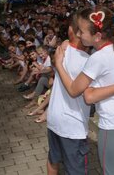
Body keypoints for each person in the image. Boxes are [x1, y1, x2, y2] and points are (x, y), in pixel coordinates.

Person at [55, 7, 114, 175]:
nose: (78, 34)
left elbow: (74, 90)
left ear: (98, 36)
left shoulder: (97, 58)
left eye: (81, 31)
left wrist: (58, 64)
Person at [46, 13, 91, 175]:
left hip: (54, 118)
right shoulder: (90, 62)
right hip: (73, 125)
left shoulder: (61, 50)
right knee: (76, 170)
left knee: (53, 159)